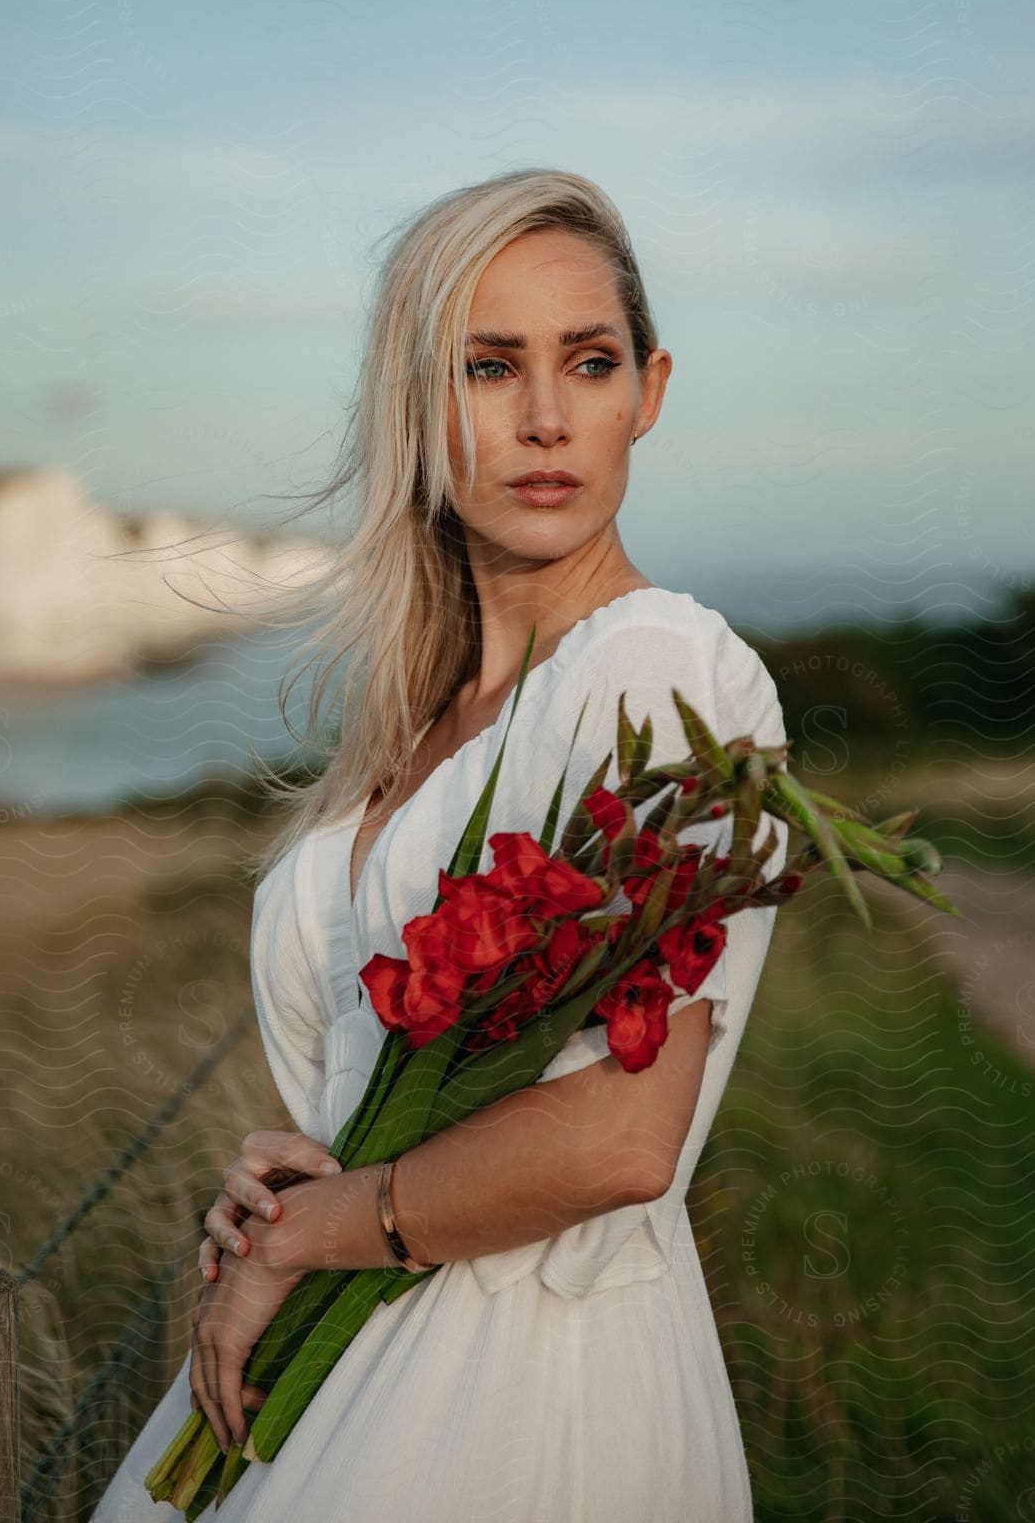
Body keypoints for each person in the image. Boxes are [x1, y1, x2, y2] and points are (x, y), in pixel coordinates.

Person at [90, 168, 787, 1521]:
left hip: (517, 1393)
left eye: (585, 364)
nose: (542, 418)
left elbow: (620, 1141)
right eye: (486, 366)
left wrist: (309, 1233)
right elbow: (396, 1075)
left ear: (646, 391)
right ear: (417, 404)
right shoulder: (418, 717)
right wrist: (295, 1177)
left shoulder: (657, 681)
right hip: (350, 1340)